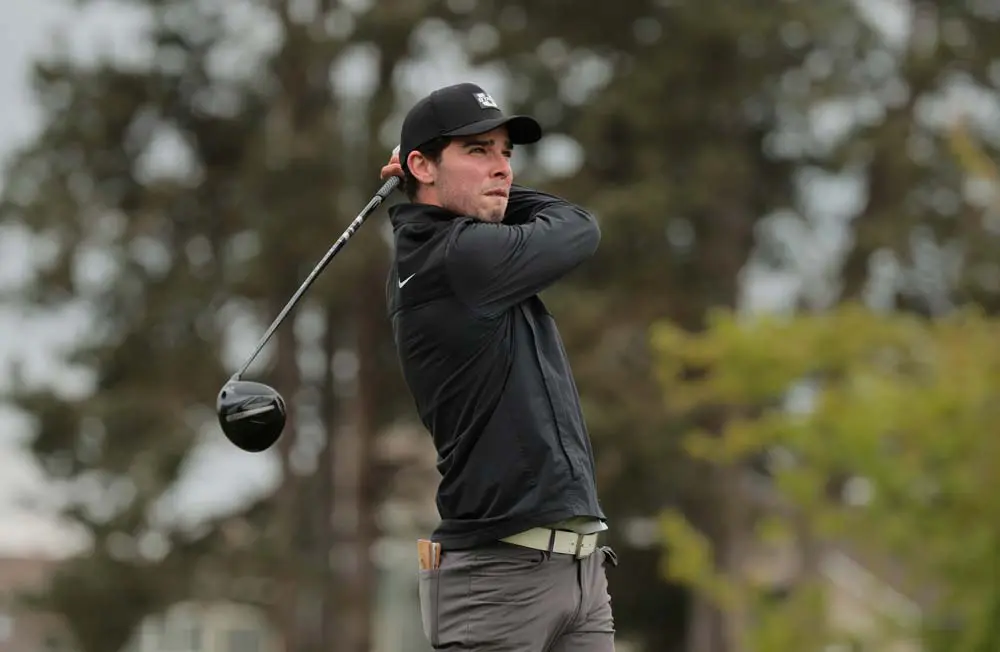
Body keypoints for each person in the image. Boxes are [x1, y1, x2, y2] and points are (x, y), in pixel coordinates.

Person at [380, 82, 616, 651]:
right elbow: (579, 226)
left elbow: (564, 222)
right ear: (422, 164)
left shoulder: (467, 252)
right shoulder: (459, 258)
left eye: (506, 153)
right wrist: (428, 189)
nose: (503, 169)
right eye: (478, 151)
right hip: (499, 581)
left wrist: (442, 184)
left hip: (580, 574)